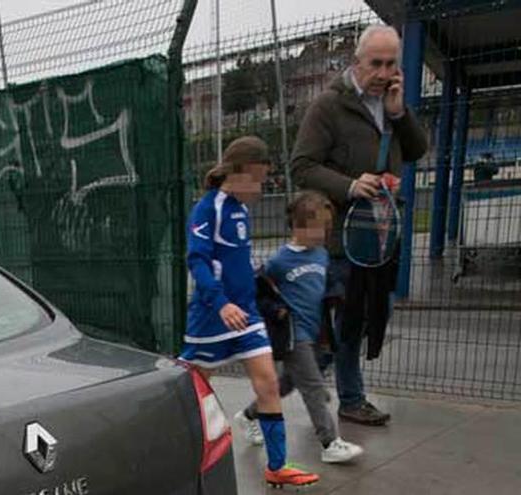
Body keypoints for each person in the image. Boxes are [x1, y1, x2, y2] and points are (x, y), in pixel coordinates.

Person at [291, 25, 428, 425]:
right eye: (376, 64)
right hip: (340, 237)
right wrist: (350, 185)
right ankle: (330, 393)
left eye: (391, 64)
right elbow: (302, 166)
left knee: (369, 315)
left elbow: (418, 149)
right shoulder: (328, 107)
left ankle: (314, 382)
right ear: (357, 63)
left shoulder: (391, 103)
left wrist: (400, 113)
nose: (384, 73)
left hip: (381, 236)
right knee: (343, 324)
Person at [181, 136, 320, 488]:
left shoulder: (242, 210)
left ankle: (277, 466)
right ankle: (183, 458)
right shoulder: (207, 208)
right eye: (256, 180)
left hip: (247, 315)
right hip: (212, 319)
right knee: (193, 395)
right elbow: (197, 261)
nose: (260, 189)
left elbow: (237, 262)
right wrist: (221, 302)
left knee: (269, 383)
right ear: (236, 173)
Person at [235, 191, 364, 464]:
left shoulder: (321, 255)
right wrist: (275, 310)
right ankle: (330, 442)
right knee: (313, 388)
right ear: (298, 226)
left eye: (327, 228)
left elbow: (326, 283)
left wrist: (336, 296)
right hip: (294, 335)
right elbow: (260, 291)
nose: (323, 234)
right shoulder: (280, 261)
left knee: (284, 385)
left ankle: (248, 415)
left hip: (315, 331)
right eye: (319, 228)